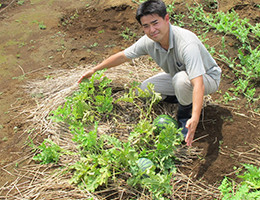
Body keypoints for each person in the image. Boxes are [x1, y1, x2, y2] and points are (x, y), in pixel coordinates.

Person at [78, 0, 221, 146]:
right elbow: (122, 56)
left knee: (181, 80)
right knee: (144, 90)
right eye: (146, 26)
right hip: (180, 76)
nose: (152, 30)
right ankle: (181, 96)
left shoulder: (186, 44)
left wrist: (195, 117)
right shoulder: (148, 41)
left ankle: (184, 115)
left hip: (207, 78)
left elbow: (198, 84)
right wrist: (95, 69)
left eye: (155, 23)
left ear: (166, 19)